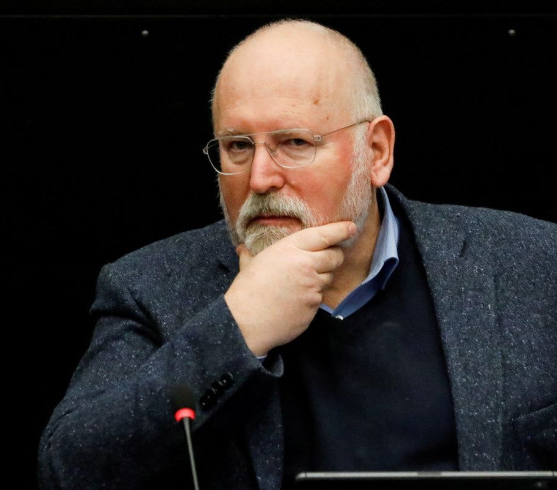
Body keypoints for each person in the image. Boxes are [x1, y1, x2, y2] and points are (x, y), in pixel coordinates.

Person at [38, 18, 556, 490]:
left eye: (294, 143)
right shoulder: (151, 286)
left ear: (376, 152)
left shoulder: (532, 263)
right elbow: (68, 471)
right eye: (238, 146)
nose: (261, 178)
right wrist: (237, 328)